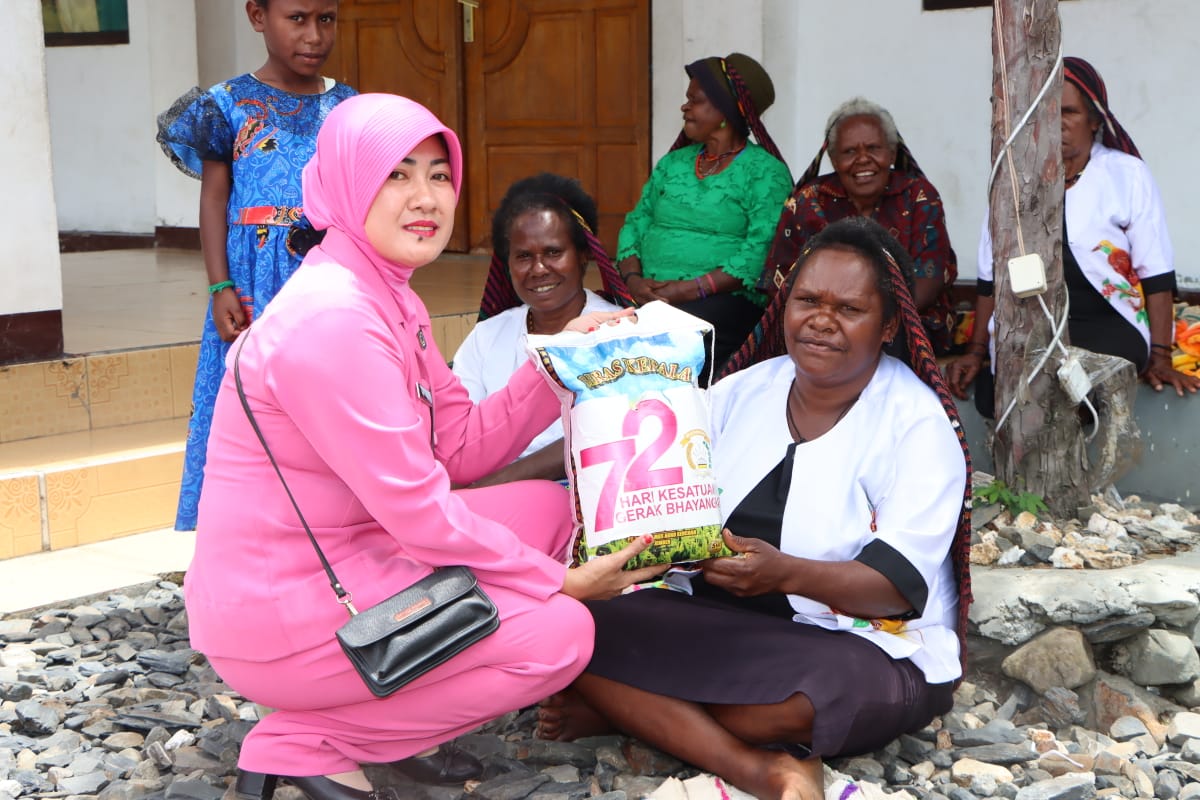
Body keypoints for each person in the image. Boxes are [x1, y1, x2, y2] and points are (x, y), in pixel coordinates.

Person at [184, 94, 665, 800]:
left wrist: (557, 358)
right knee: (560, 633)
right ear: (348, 181)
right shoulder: (334, 322)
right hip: (287, 607)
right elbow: (421, 514)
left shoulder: (385, 294)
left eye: (439, 175)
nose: (425, 198)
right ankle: (304, 740)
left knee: (548, 512)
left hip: (350, 557)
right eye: (397, 174)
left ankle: (395, 720)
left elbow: (462, 446)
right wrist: (555, 583)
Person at [537, 218, 973, 800]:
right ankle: (758, 767)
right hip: (718, 624)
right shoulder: (744, 390)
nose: (821, 320)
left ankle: (631, 712)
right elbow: (631, 452)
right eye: (807, 300)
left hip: (853, 643)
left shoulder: (918, 425)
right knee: (573, 627)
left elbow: (894, 588)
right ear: (784, 304)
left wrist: (784, 574)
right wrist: (621, 353)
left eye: (849, 308)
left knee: (819, 698)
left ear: (890, 324)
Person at [156, 0, 356, 530]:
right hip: (252, 284)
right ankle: (247, 528)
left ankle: (333, 524)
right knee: (249, 402)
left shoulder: (348, 107)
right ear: (256, 15)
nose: (314, 35)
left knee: (327, 400)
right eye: (297, 19)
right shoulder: (226, 106)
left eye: (327, 19)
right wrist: (220, 284)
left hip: (327, 282)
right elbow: (215, 201)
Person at [946, 56, 1200, 414]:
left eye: (1068, 112)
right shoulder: (1011, 182)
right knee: (1001, 395)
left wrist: (1161, 355)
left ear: (1095, 119)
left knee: (1075, 391)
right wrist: (975, 352)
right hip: (1030, 328)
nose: (1055, 123)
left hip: (1110, 323)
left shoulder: (1126, 175)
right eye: (1046, 112)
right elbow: (990, 280)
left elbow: (1157, 275)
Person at [616, 53, 793, 371]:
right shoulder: (673, 163)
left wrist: (684, 290)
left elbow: (760, 251)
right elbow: (636, 222)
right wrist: (633, 280)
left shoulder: (765, 172)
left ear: (726, 111)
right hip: (650, 293)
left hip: (724, 302)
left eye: (694, 100)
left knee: (666, 340)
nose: (685, 107)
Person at [452, 173, 632, 485]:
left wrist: (488, 487)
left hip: (588, 492)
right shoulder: (487, 336)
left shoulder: (619, 331)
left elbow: (602, 436)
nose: (538, 269)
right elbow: (459, 433)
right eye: (524, 256)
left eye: (553, 252)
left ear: (584, 256)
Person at [760, 97, 958, 355]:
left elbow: (928, 282)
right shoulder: (809, 201)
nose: (863, 159)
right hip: (819, 318)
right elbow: (782, 284)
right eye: (849, 152)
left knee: (887, 339)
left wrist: (866, 320)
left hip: (903, 318)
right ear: (832, 158)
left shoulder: (919, 196)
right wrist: (832, 318)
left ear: (892, 152)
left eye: (874, 148)